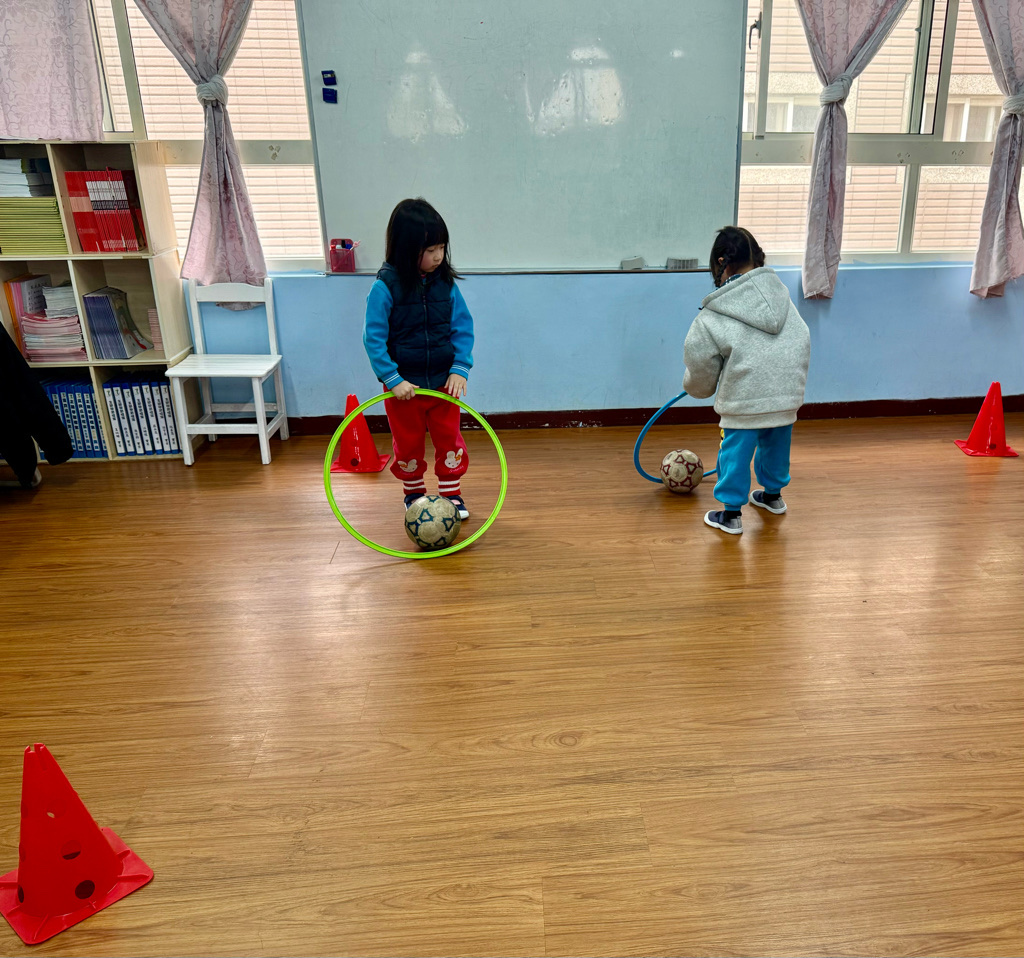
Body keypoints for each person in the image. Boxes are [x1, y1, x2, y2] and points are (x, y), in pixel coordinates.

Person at [683, 226, 811, 535]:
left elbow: (699, 364)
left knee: (735, 455)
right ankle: (773, 496)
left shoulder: (713, 313)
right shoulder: (783, 299)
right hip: (785, 398)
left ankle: (730, 515)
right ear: (757, 258)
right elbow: (801, 339)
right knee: (776, 447)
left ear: (721, 263)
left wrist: (696, 386)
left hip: (743, 402)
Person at [363, 198, 474, 519]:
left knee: (449, 440)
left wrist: (460, 368)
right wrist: (393, 379)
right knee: (408, 443)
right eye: (430, 250)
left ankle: (451, 494)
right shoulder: (385, 287)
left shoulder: (446, 285)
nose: (438, 256)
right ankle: (413, 494)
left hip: (443, 383)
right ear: (406, 249)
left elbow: (463, 327)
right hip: (404, 387)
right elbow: (373, 338)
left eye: (442, 247)